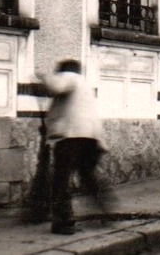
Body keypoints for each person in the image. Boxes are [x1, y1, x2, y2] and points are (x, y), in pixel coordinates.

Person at [42, 58, 110, 234]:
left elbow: (55, 87)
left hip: (71, 136)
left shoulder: (69, 77)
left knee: (61, 178)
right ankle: (105, 210)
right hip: (91, 137)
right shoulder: (85, 85)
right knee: (87, 176)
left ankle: (64, 222)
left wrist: (42, 76)